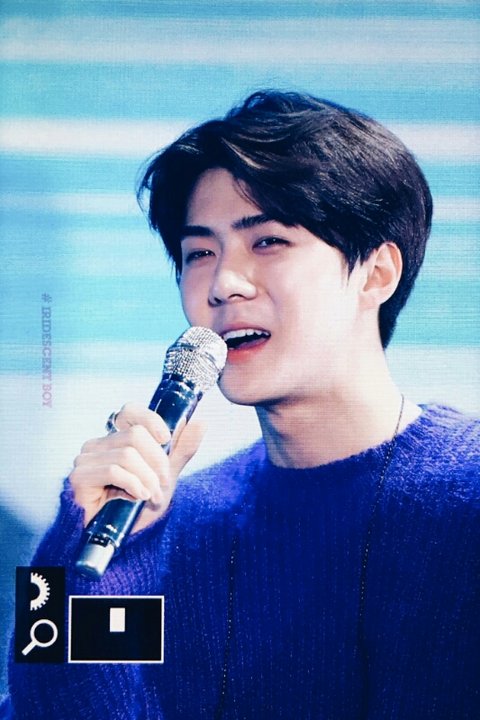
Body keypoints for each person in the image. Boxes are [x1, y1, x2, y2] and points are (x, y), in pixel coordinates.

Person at [2, 90, 479, 719]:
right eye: (200, 253)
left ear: (377, 273)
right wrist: (79, 556)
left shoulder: (466, 494)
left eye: (268, 242)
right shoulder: (171, 523)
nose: (224, 284)